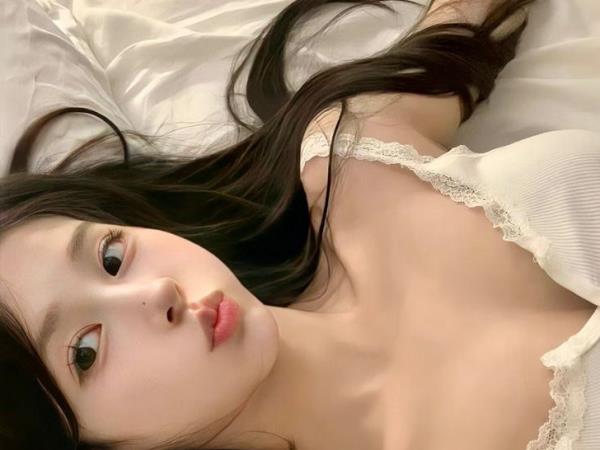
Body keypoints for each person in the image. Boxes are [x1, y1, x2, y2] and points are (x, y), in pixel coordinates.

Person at [5, 0, 591, 449]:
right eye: (86, 351)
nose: (156, 293)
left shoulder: (353, 161)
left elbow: (467, 15)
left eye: (110, 257)